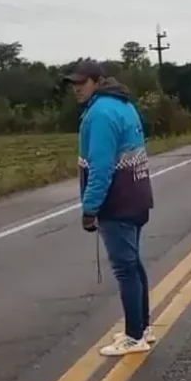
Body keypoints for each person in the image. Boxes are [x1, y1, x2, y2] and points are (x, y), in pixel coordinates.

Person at [66, 60, 155, 357]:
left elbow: (101, 168)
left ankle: (133, 337)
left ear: (97, 81)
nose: (77, 89)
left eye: (82, 83)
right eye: (74, 84)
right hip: (137, 194)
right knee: (134, 264)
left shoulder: (100, 114)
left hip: (117, 201)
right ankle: (142, 328)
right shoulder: (123, 104)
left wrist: (90, 208)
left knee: (125, 268)